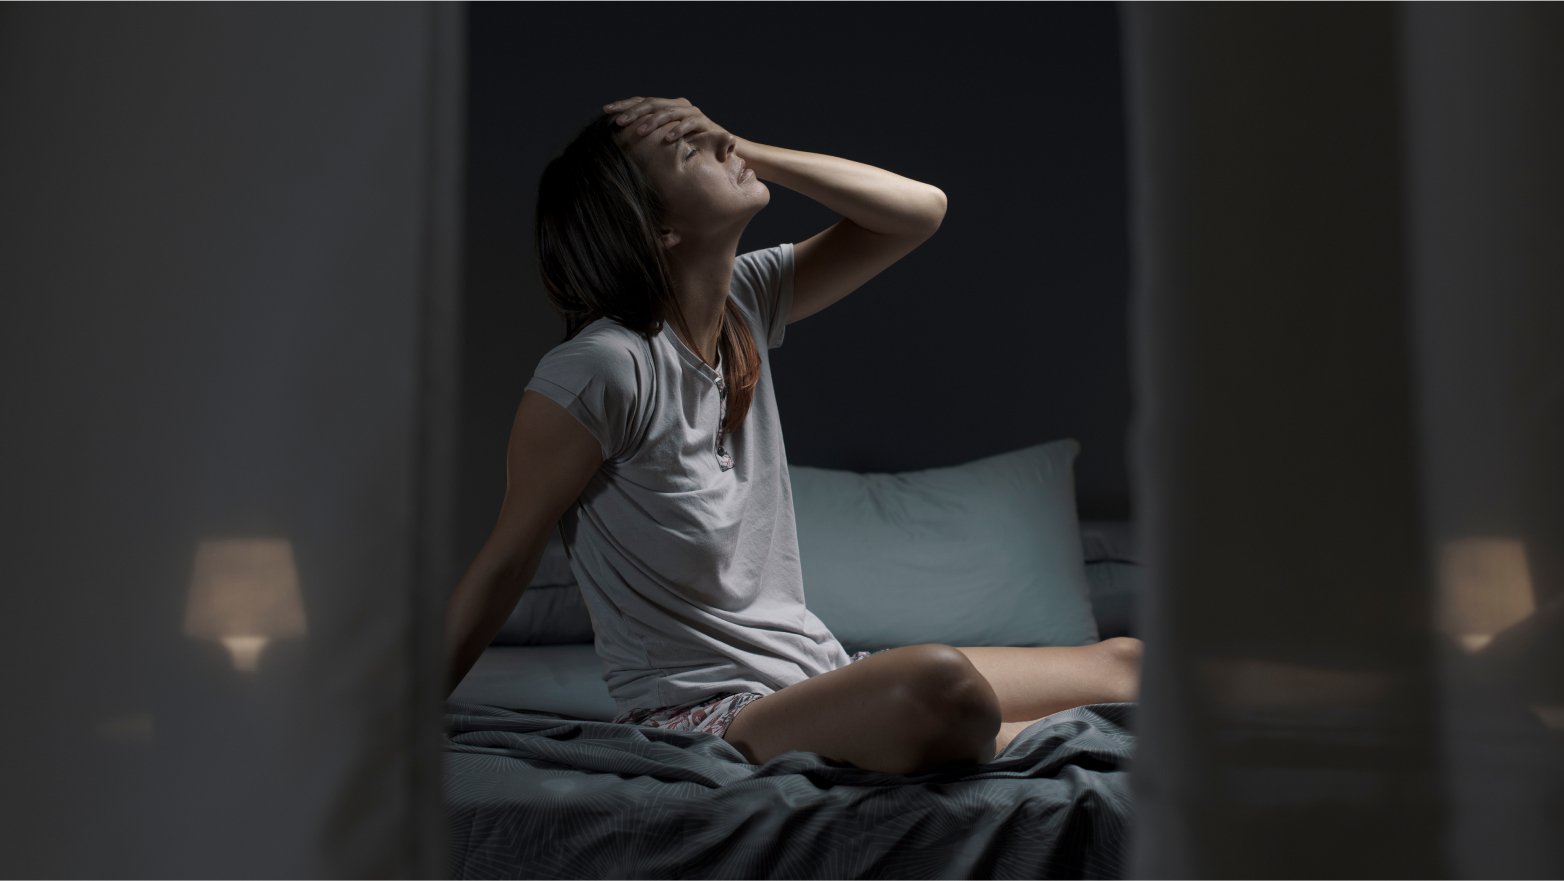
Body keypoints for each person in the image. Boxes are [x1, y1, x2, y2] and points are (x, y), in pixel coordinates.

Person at [443, 96, 1142, 775]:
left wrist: (749, 151)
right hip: (711, 714)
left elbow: (919, 211)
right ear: (659, 230)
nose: (722, 144)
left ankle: (985, 732)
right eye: (694, 150)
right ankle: (1060, 740)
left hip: (819, 675)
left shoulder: (745, 300)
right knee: (938, 682)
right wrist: (398, 715)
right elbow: (505, 565)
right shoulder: (600, 370)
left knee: (1127, 664)